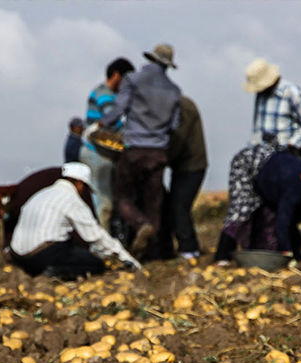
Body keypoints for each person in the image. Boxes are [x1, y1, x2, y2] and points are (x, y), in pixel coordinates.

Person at [95, 43, 181, 259]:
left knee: (123, 197)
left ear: (151, 59)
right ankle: (149, 256)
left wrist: (101, 124)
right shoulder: (174, 91)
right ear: (168, 65)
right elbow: (174, 126)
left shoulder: (133, 80)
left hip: (134, 149)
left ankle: (139, 225)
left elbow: (118, 110)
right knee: (154, 204)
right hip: (159, 152)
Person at [214, 147, 301, 263]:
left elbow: (296, 219)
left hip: (274, 176)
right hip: (250, 165)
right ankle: (222, 257)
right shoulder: (294, 189)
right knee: (240, 212)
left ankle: (258, 253)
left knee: (269, 225)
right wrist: (287, 252)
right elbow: (283, 222)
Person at [8, 162, 141, 280]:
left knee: (68, 242)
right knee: (94, 264)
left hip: (19, 258)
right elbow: (95, 236)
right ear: (79, 183)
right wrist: (125, 257)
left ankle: (38, 271)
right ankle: (54, 273)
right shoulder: (71, 199)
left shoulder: (41, 194)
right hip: (43, 256)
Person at [0, 167, 97, 260]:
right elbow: (9, 228)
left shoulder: (23, 198)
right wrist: (7, 248)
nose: (2, 217)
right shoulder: (12, 206)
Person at [80, 57, 135, 228]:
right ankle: (100, 246)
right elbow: (112, 121)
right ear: (117, 75)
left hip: (103, 154)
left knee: (107, 200)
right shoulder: (105, 95)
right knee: (103, 203)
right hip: (97, 154)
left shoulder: (110, 94)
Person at [159, 95, 208, 260]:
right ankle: (185, 247)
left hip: (191, 166)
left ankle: (188, 250)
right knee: (175, 205)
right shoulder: (176, 104)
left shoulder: (182, 107)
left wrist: (161, 158)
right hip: (183, 166)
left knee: (179, 206)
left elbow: (178, 140)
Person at [244, 58, 301, 166]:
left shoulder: (291, 92)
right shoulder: (260, 95)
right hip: (266, 157)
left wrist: (292, 143)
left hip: (292, 156)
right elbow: (257, 128)